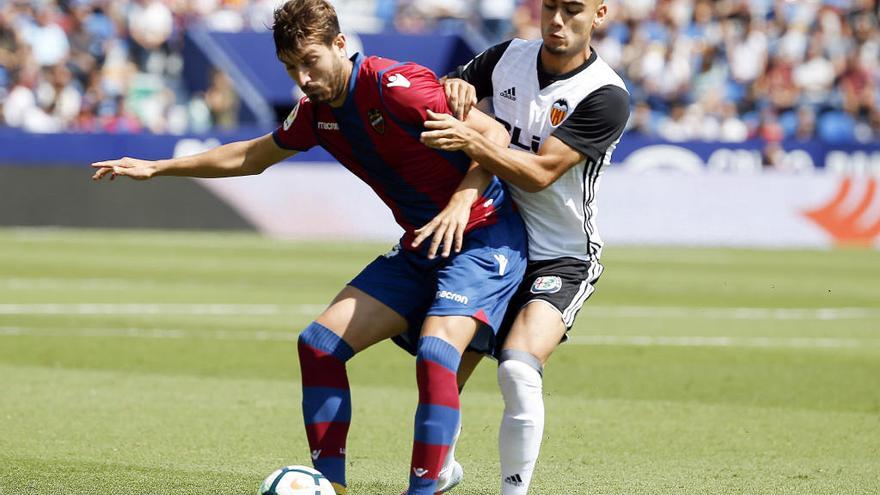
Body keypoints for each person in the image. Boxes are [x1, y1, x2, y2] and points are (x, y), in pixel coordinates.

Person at [90, 1, 528, 494]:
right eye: (290, 68)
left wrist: (459, 204)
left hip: (485, 236)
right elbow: (253, 156)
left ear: (341, 45)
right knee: (318, 345)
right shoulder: (316, 114)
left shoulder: (394, 86)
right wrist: (157, 167)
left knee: (435, 352)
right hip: (422, 245)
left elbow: (493, 134)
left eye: (310, 61)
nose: (302, 77)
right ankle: (331, 488)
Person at [420, 1, 630, 493]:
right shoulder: (505, 57)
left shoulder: (606, 96)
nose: (557, 20)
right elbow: (452, 91)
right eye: (550, 6)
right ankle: (440, 470)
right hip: (494, 243)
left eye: (572, 10)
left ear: (598, 15)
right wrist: (455, 85)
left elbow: (538, 175)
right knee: (442, 366)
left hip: (562, 254)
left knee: (517, 368)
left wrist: (471, 140)